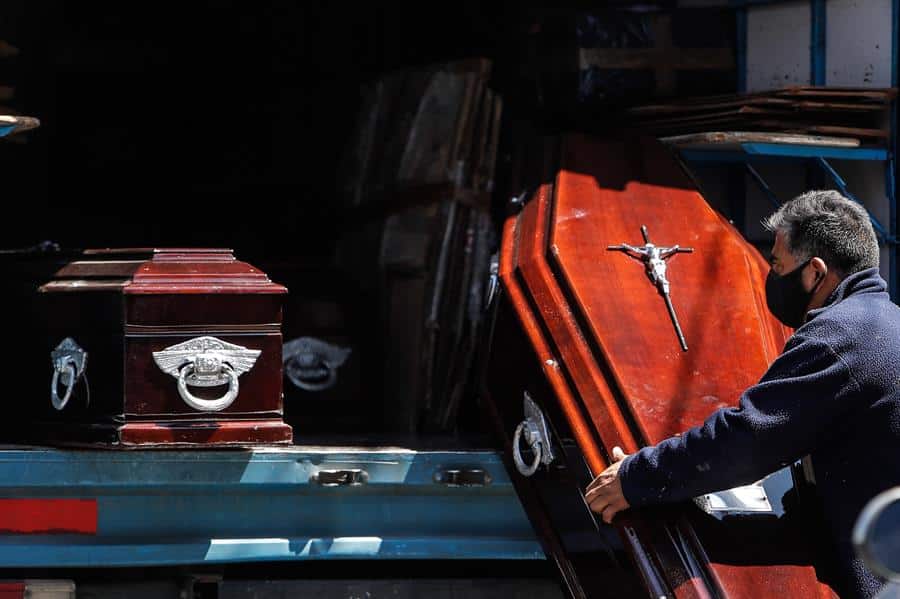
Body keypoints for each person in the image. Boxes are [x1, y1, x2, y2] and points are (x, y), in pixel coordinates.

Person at [585, 190, 900, 599]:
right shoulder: (886, 323)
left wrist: (637, 478)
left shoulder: (841, 337)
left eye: (778, 264)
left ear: (816, 273)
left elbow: (746, 441)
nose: (773, 276)